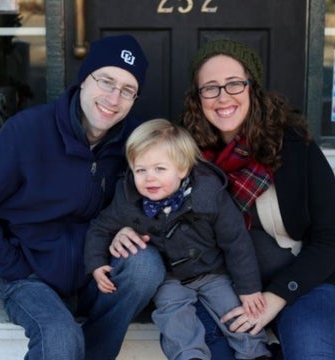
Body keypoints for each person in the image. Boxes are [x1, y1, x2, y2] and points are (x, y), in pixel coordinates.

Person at [112, 39, 335, 359]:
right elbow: (138, 194)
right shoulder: (180, 152)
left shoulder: (294, 144)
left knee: (311, 351)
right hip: (212, 285)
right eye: (210, 88)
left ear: (252, 88)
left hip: (300, 285)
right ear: (197, 97)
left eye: (234, 84)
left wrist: (277, 296)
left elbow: (330, 238)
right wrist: (122, 228)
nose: (223, 97)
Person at [0, 34, 165, 359]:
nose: (113, 98)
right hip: (31, 275)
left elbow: (164, 201)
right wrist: (13, 264)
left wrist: (129, 224)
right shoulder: (28, 132)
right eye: (106, 81)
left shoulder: (137, 141)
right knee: (60, 338)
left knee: (146, 267)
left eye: (127, 90)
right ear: (84, 78)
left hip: (98, 271)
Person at [84, 118, 271, 360]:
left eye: (160, 169)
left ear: (182, 169)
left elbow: (236, 241)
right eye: (140, 170)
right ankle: (189, 355)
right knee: (173, 316)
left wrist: (249, 288)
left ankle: (256, 353)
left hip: (212, 271)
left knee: (233, 308)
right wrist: (97, 263)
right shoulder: (128, 199)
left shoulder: (209, 193)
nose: (149, 178)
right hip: (169, 277)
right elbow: (101, 228)